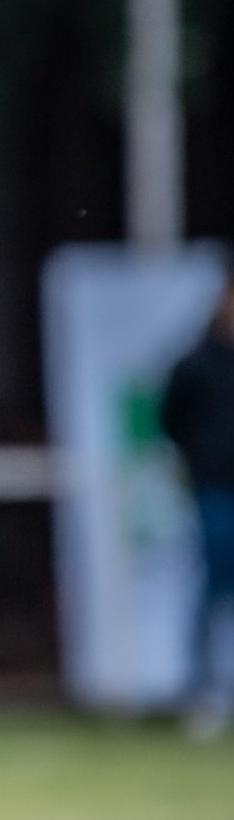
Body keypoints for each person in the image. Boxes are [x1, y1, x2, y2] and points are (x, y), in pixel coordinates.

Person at [160, 277, 234, 739]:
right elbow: (171, 419)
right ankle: (204, 691)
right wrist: (200, 458)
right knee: (213, 587)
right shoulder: (197, 363)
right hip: (214, 488)